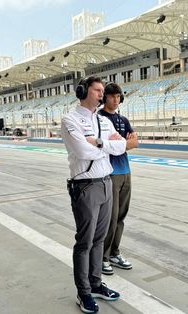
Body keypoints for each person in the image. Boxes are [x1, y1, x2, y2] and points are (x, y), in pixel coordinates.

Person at [61, 76, 127, 313]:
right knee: (85, 242)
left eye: (102, 90)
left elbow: (121, 147)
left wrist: (97, 143)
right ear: (83, 91)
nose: (102, 94)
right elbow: (81, 151)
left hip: (106, 183)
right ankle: (84, 292)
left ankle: (96, 284)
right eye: (97, 90)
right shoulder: (70, 119)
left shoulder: (103, 121)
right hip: (86, 187)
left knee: (99, 240)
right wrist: (103, 147)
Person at [99, 82, 138, 275]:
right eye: (112, 96)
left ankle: (114, 252)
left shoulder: (123, 119)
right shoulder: (99, 118)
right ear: (105, 97)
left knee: (121, 216)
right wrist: (124, 143)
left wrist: (121, 144)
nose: (116, 99)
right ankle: (103, 257)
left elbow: (135, 142)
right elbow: (104, 145)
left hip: (125, 171)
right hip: (109, 173)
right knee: (110, 218)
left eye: (118, 96)